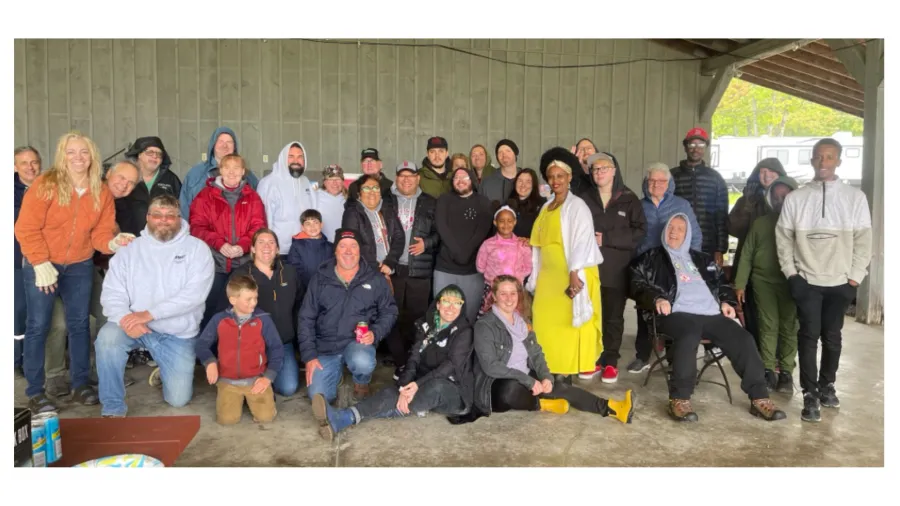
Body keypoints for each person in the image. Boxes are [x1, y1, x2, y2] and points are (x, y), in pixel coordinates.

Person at [15, 132, 133, 413]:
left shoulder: (100, 191)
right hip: (41, 264)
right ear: (62, 155)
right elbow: (25, 227)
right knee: (39, 325)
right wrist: (40, 261)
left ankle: (80, 384)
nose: (78, 158)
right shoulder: (46, 183)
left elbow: (100, 233)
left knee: (80, 324)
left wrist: (112, 243)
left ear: (92, 155)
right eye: (71, 152)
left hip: (79, 264)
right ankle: (35, 390)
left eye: (84, 152)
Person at [630, 214, 786, 422]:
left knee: (743, 338)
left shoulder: (703, 260)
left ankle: (759, 398)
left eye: (680, 229)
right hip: (676, 313)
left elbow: (721, 283)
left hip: (710, 313)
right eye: (670, 228)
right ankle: (679, 399)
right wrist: (656, 298)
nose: (674, 232)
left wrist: (727, 302)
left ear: (688, 234)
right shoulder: (650, 258)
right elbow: (635, 284)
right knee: (689, 333)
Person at [776, 138, 872, 423]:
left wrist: (854, 278)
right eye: (819, 157)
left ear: (838, 161)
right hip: (806, 281)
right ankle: (809, 393)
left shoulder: (855, 198)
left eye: (829, 157)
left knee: (832, 337)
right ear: (812, 160)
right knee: (807, 337)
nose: (823, 162)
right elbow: (783, 239)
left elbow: (864, 241)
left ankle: (827, 384)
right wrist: (791, 275)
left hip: (840, 282)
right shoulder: (796, 199)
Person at [95, 194, 214, 417]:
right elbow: (112, 292)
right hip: (133, 326)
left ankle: (164, 369)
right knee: (107, 338)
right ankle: (113, 407)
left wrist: (148, 315)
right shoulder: (130, 250)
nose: (164, 220)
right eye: (157, 215)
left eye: (170, 216)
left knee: (178, 400)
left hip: (176, 333)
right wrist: (125, 318)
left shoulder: (197, 249)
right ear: (148, 217)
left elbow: (194, 295)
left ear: (180, 218)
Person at [311, 285, 474, 441]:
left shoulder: (464, 331)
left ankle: (342, 418)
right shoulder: (426, 325)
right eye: (446, 301)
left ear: (461, 307)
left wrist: (416, 385)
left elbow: (450, 366)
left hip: (453, 393)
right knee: (394, 390)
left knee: (435, 386)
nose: (451, 307)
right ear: (438, 304)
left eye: (457, 303)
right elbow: (414, 359)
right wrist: (404, 387)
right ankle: (344, 418)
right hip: (424, 381)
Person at [469, 275, 634, 422]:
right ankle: (542, 404)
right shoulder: (485, 325)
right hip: (496, 386)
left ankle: (613, 408)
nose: (509, 298)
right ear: (494, 297)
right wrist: (529, 381)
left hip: (525, 378)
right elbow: (491, 366)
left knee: (558, 383)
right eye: (503, 293)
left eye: (513, 293)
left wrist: (545, 377)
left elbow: (536, 353)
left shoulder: (522, 323)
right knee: (510, 390)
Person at [526, 148, 603, 379]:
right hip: (548, 278)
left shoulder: (577, 206)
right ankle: (547, 370)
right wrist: (534, 277)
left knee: (566, 326)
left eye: (560, 176)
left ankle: (564, 375)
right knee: (544, 322)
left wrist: (574, 273)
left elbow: (582, 241)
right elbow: (537, 247)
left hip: (570, 275)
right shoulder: (545, 207)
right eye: (551, 176)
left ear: (569, 178)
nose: (555, 181)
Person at [298, 229, 398, 401]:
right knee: (318, 396)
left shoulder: (374, 278)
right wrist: (309, 356)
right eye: (343, 246)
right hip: (326, 346)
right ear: (335, 250)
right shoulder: (320, 278)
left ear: (360, 250)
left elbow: (390, 310)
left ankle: (361, 380)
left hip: (357, 344)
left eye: (353, 246)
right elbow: (306, 317)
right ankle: (336, 376)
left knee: (363, 362)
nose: (348, 251)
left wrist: (375, 332)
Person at [576, 152, 646, 383]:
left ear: (614, 170)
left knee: (613, 318)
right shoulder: (583, 198)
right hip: (589, 269)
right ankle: (592, 358)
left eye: (604, 168)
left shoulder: (629, 198)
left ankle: (610, 361)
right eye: (595, 169)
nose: (599, 172)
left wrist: (607, 239)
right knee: (589, 316)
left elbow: (639, 231)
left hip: (616, 270)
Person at [626, 162, 702, 374]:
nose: (656, 184)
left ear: (669, 183)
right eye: (652, 180)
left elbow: (694, 235)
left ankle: (673, 359)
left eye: (661, 181)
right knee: (645, 310)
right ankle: (643, 356)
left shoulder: (681, 205)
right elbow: (631, 237)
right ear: (646, 183)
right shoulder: (639, 206)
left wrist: (689, 264)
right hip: (647, 268)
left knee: (675, 311)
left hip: (676, 267)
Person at [734, 176, 799, 394]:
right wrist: (740, 283)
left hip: (793, 282)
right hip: (763, 281)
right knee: (768, 325)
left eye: (786, 195)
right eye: (777, 196)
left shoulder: (802, 222)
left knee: (790, 326)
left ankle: (787, 372)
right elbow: (746, 255)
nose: (781, 200)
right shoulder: (761, 223)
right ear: (770, 198)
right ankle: (769, 369)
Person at [189, 154, 267, 330]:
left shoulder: (253, 197)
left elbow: (258, 227)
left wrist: (243, 246)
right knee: (210, 310)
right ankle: (207, 352)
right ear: (221, 170)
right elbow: (197, 227)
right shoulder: (205, 196)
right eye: (227, 168)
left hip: (243, 264)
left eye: (236, 168)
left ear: (243, 172)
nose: (232, 172)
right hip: (214, 264)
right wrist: (220, 244)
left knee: (242, 309)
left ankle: (237, 350)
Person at [14, 146, 68, 396]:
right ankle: (20, 362)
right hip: (19, 262)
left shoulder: (52, 187)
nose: (30, 167)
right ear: (15, 167)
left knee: (53, 321)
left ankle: (47, 370)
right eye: (24, 163)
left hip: (54, 262)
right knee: (21, 316)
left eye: (34, 162)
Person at [196, 275, 284, 424]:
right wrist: (209, 362)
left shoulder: (263, 319)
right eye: (248, 299)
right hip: (228, 381)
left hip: (256, 380)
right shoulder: (219, 320)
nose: (254, 303)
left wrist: (268, 377)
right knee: (227, 421)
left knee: (266, 418)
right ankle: (239, 399)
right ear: (233, 300)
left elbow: (276, 348)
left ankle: (259, 397)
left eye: (255, 298)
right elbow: (201, 344)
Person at [233, 229, 302, 397]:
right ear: (253, 249)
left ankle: (268, 377)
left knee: (288, 388)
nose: (266, 246)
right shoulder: (241, 275)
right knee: (248, 388)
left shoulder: (289, 272)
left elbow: (300, 305)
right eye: (261, 242)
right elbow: (229, 313)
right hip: (252, 344)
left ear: (278, 249)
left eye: (271, 242)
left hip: (282, 343)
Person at [727, 157, 787, 348]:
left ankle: (775, 355)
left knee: (778, 313)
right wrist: (746, 205)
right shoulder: (748, 200)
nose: (767, 175)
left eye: (772, 171)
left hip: (779, 264)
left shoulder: (789, 198)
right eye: (762, 171)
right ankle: (755, 351)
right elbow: (733, 228)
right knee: (750, 309)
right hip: (748, 263)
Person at [387, 160, 439, 380]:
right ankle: (400, 362)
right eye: (402, 176)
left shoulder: (431, 203)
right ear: (396, 178)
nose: (406, 180)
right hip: (392, 270)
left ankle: (413, 361)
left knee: (417, 318)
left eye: (411, 175)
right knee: (392, 316)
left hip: (419, 270)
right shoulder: (385, 201)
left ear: (418, 178)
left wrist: (426, 244)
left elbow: (440, 233)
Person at [434, 166, 494, 324]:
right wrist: (457, 253)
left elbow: (482, 231)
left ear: (472, 181)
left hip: (473, 270)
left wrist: (465, 254)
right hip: (445, 267)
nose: (460, 181)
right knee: (442, 315)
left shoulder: (483, 202)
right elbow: (442, 228)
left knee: (469, 316)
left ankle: (465, 349)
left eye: (464, 177)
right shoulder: (444, 200)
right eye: (456, 178)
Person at [670, 127, 728, 263]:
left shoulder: (716, 179)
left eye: (701, 145)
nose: (696, 149)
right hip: (678, 242)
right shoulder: (672, 176)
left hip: (707, 245)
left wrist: (720, 249)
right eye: (692, 144)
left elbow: (722, 215)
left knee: (705, 282)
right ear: (685, 147)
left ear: (706, 148)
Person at [180, 127, 258, 220]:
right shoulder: (196, 173)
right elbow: (184, 206)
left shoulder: (248, 175)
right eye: (221, 141)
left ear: (235, 146)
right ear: (213, 145)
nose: (225, 146)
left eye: (229, 142)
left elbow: (257, 205)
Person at [256, 141, 317, 259]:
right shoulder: (269, 183)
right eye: (291, 157)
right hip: (278, 252)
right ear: (283, 158)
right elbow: (262, 220)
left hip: (304, 249)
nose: (296, 161)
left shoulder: (305, 182)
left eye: (300, 157)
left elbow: (313, 212)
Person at [341, 174, 405, 279]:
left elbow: (399, 237)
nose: (372, 191)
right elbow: (352, 244)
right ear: (359, 194)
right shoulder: (352, 213)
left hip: (390, 270)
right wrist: (377, 267)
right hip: (365, 272)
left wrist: (390, 262)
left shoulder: (388, 210)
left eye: (376, 188)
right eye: (366, 188)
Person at [117, 137, 182, 236]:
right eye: (150, 152)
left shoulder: (171, 179)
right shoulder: (125, 176)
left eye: (159, 154)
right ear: (139, 154)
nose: (155, 156)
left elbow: (181, 209)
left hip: (162, 238)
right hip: (128, 238)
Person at [475, 206, 532, 315]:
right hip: (493, 291)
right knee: (492, 320)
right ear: (495, 222)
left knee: (514, 320)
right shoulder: (488, 244)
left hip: (515, 292)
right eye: (501, 221)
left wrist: (513, 280)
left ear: (515, 222)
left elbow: (528, 268)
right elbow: (480, 267)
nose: (506, 224)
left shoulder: (522, 244)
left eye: (509, 221)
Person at [287, 209, 334, 302]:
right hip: (305, 293)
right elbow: (294, 269)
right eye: (308, 223)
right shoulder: (297, 246)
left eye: (315, 222)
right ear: (302, 227)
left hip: (326, 292)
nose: (312, 226)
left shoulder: (330, 247)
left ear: (321, 225)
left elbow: (333, 269)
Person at [506, 168, 546, 239]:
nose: (523, 185)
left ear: (534, 184)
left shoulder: (542, 205)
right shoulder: (508, 204)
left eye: (528, 182)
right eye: (520, 181)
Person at [480, 139, 521, 207]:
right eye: (500, 152)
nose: (504, 155)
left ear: (515, 154)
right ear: (497, 157)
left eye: (508, 151)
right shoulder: (487, 183)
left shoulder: (528, 179)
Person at [315, 164, 347, 242]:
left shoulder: (349, 199)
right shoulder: (315, 197)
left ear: (343, 181)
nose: (334, 183)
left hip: (343, 247)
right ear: (325, 182)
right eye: (330, 179)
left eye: (338, 179)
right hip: (322, 246)